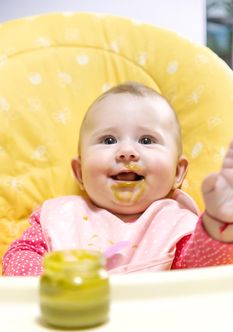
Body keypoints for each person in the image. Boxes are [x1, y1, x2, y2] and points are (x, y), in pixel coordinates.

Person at [2, 82, 233, 276]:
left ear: (177, 172)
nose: (126, 151)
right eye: (109, 140)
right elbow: (19, 255)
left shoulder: (176, 224)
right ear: (80, 172)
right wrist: (52, 283)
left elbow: (199, 272)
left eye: (146, 140)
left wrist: (215, 229)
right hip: (73, 320)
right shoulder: (61, 215)